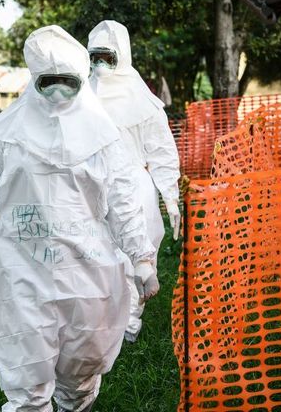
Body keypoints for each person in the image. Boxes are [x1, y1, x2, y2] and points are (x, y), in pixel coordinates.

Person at [0, 25, 159, 412]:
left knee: (82, 363)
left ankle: (75, 404)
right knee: (26, 371)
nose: (58, 91)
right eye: (49, 82)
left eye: (67, 82)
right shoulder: (8, 131)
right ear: (34, 79)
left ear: (80, 79)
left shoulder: (102, 134)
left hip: (87, 271)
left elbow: (124, 198)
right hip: (23, 271)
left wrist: (142, 258)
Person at [88, 20, 181, 343]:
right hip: (91, 186)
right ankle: (100, 321)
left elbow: (161, 151)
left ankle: (129, 323)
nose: (100, 66)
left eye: (107, 57)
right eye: (95, 57)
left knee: (136, 254)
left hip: (134, 185)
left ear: (122, 56)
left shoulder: (143, 103)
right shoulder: (81, 97)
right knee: (97, 255)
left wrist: (170, 195)